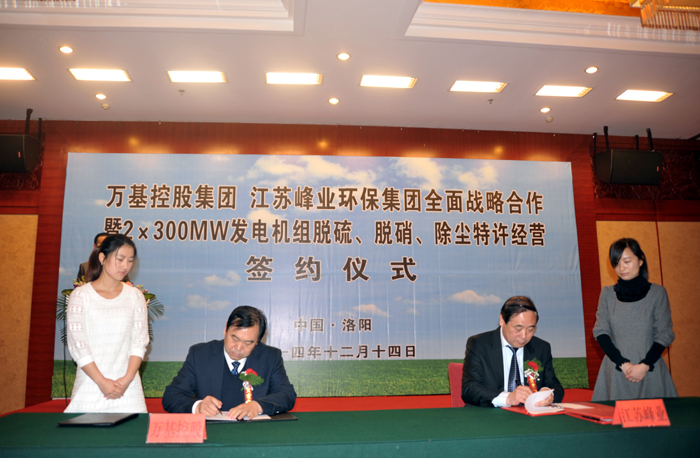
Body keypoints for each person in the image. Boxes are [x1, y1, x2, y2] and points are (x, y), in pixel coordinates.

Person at [162, 306, 296, 419]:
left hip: (254, 433)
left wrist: (257, 406)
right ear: (225, 329)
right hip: (213, 432)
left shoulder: (270, 357)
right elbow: (171, 396)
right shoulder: (200, 354)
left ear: (257, 342)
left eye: (248, 343)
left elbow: (287, 395)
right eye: (234, 338)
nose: (238, 348)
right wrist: (198, 406)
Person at [65, 234, 149, 413]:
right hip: (90, 385)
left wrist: (127, 379)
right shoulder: (81, 296)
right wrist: (101, 381)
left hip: (128, 389)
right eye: (120, 259)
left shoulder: (135, 296)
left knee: (133, 430)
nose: (125, 266)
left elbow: (139, 342)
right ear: (102, 257)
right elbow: (78, 345)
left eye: (130, 260)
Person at [592, 238, 678, 401]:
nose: (621, 268)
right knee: (613, 416)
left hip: (650, 370)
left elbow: (664, 334)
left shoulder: (657, 293)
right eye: (616, 263)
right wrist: (622, 364)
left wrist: (644, 366)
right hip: (617, 370)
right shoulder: (607, 294)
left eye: (627, 261)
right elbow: (600, 333)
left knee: (654, 417)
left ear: (640, 260)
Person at [461, 296, 564, 407]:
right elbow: (469, 389)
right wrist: (508, 398)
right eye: (518, 329)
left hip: (528, 414)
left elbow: (556, 387)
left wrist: (547, 393)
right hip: (489, 414)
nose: (524, 336)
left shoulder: (541, 348)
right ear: (502, 320)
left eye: (530, 329)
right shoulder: (479, 344)